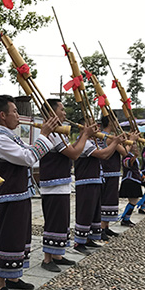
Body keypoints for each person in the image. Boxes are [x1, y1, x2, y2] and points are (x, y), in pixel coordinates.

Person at [0, 94, 58, 290]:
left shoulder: (11, 136)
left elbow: (28, 152)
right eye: (14, 112)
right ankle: (0, 283)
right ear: (3, 116)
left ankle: (14, 277)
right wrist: (44, 134)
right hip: (9, 196)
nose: (17, 116)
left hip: (20, 193)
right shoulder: (0, 140)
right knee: (9, 237)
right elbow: (28, 157)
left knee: (21, 236)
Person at [39, 99, 97, 272]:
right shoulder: (52, 133)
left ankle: (57, 254)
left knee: (62, 220)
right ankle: (47, 259)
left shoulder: (59, 132)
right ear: (51, 113)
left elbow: (71, 149)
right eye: (62, 110)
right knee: (54, 220)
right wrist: (84, 136)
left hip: (60, 183)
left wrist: (84, 136)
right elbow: (73, 154)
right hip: (53, 183)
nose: (65, 113)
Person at [73, 120, 125, 255]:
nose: (96, 127)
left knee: (93, 212)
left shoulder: (93, 141)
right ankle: (79, 241)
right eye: (92, 125)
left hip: (95, 180)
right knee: (85, 211)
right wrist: (115, 142)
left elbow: (106, 155)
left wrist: (115, 142)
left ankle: (89, 238)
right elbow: (102, 154)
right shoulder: (83, 142)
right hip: (85, 182)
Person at [99, 116, 129, 240]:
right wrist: (130, 141)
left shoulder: (104, 135)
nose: (118, 123)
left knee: (109, 200)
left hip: (110, 172)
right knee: (107, 200)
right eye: (116, 120)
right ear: (110, 122)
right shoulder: (109, 138)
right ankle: (101, 228)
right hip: (109, 171)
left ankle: (105, 227)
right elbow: (125, 152)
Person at [119, 141, 145, 226]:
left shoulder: (131, 155)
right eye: (133, 144)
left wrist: (143, 177)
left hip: (135, 180)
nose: (135, 146)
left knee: (133, 201)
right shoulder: (126, 155)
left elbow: (137, 170)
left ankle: (126, 218)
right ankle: (125, 219)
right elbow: (128, 164)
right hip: (130, 180)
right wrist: (135, 156)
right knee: (133, 200)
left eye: (135, 144)